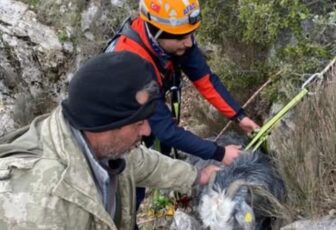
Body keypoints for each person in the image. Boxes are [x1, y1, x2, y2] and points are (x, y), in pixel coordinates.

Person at [0, 52, 219, 229]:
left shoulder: (104, 145)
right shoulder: (38, 207)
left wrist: (198, 176)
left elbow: (143, 163)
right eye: (138, 123)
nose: (147, 130)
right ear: (103, 126)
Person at [105, 0, 260, 165]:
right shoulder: (132, 63)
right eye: (181, 37)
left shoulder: (175, 39)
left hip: (146, 108)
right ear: (156, 31)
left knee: (160, 149)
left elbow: (205, 80)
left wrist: (239, 116)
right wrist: (220, 153)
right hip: (111, 134)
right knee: (132, 174)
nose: (189, 43)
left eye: (191, 33)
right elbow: (166, 130)